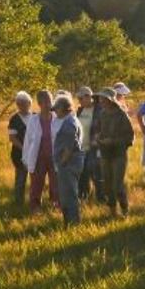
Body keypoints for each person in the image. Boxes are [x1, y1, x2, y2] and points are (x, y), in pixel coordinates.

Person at [95, 88, 134, 217]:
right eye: (100, 98)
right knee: (107, 184)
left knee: (117, 184)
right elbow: (98, 131)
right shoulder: (102, 114)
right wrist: (98, 138)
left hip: (118, 154)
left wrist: (113, 141)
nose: (101, 101)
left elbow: (130, 136)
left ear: (110, 100)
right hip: (105, 153)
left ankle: (125, 210)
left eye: (103, 99)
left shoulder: (121, 115)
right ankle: (113, 213)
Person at [21, 90, 60, 212]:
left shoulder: (57, 118)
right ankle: (35, 206)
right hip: (38, 157)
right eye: (46, 101)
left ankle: (56, 204)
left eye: (50, 100)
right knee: (36, 183)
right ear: (39, 103)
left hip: (55, 156)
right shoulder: (33, 120)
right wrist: (25, 158)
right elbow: (28, 140)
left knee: (56, 183)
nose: (49, 104)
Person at [52, 95, 86, 226]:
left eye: (56, 109)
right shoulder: (71, 120)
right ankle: (69, 222)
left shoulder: (69, 124)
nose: (54, 112)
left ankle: (73, 223)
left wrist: (61, 164)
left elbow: (69, 148)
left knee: (69, 195)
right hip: (69, 163)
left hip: (68, 164)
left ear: (63, 108)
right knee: (66, 194)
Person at [75, 87, 105, 202]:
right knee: (82, 176)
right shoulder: (80, 111)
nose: (79, 101)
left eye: (81, 98)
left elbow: (104, 127)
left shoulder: (99, 110)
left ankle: (101, 199)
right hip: (81, 149)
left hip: (94, 148)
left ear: (88, 97)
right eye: (78, 98)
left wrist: (98, 139)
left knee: (96, 175)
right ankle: (83, 198)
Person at [8, 91, 33, 207]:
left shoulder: (36, 117)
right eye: (19, 103)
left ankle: (35, 202)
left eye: (24, 103)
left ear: (30, 103)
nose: (22, 106)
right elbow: (12, 138)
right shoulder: (14, 119)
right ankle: (18, 203)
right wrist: (25, 149)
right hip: (19, 154)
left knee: (35, 180)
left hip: (35, 154)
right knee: (21, 179)